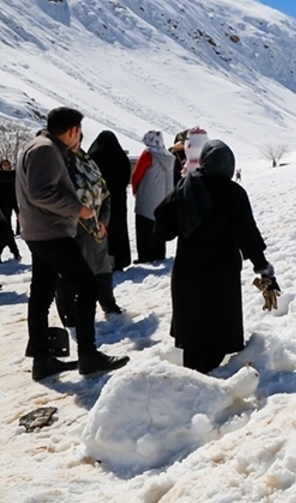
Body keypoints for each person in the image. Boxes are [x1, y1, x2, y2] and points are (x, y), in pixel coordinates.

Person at [17, 107, 128, 380]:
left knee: (42, 292)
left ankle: (42, 359)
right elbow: (41, 192)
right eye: (78, 130)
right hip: (51, 232)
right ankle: (89, 355)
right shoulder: (46, 149)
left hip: (38, 231)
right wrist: (78, 209)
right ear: (71, 130)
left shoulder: (38, 145)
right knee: (88, 286)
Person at [154, 141, 276, 374]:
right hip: (220, 274)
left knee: (192, 335)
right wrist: (264, 269)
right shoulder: (233, 193)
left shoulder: (185, 187)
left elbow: (162, 228)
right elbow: (247, 236)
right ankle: (211, 381)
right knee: (215, 333)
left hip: (187, 273)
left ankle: (192, 381)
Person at [55, 141, 122, 321]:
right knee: (70, 273)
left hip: (96, 228)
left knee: (102, 269)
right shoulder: (57, 164)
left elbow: (105, 193)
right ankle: (68, 314)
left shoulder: (89, 164)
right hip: (70, 228)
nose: (75, 144)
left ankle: (108, 304)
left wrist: (103, 221)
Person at [87, 131, 131, 272]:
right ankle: (120, 259)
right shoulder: (121, 157)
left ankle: (103, 260)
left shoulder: (94, 157)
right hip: (119, 198)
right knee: (118, 228)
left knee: (102, 228)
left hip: (100, 200)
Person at [131, 130, 175, 262]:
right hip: (163, 196)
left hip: (147, 196)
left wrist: (135, 190)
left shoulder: (148, 154)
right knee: (158, 226)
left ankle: (146, 256)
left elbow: (137, 175)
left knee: (145, 227)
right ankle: (159, 253)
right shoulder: (168, 156)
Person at [0, 158, 19, 260]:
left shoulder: (14, 175)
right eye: (4, 164)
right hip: (1, 206)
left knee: (6, 229)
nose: (6, 166)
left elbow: (15, 192)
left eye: (7, 164)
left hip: (11, 203)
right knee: (5, 229)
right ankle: (15, 251)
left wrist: (17, 210)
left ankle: (15, 251)